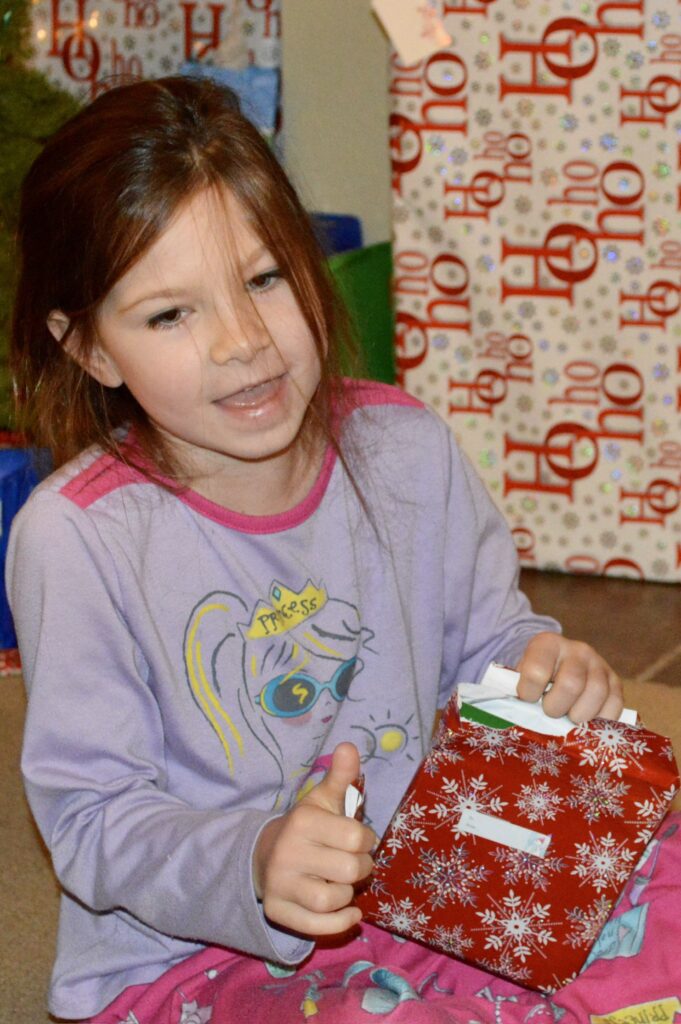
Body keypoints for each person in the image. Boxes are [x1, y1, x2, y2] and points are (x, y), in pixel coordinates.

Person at [7, 76, 627, 1023]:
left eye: (264, 280)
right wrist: (255, 861)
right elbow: (93, 822)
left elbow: (489, 643)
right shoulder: (76, 534)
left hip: (435, 879)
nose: (243, 342)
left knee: (650, 877)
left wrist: (541, 670)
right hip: (200, 956)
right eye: (171, 315)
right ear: (90, 348)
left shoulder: (405, 445)